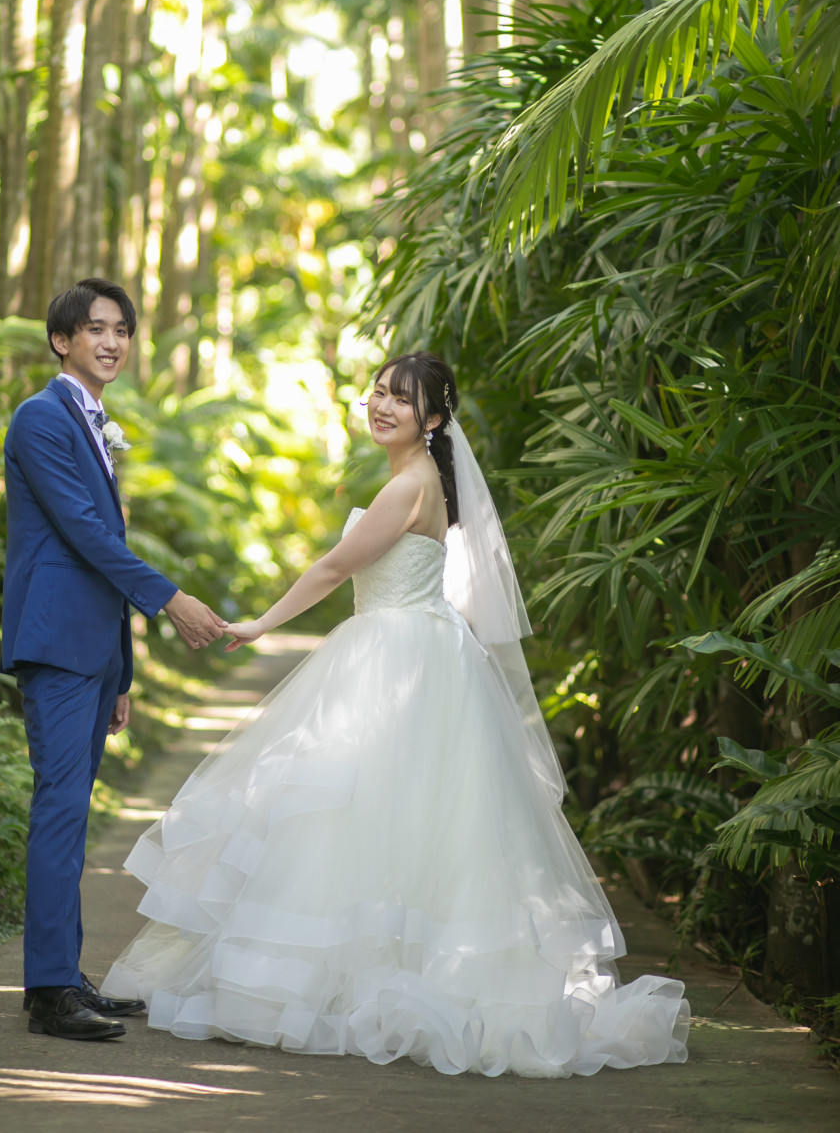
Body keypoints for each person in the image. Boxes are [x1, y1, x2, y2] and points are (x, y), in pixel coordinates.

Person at [101, 351, 691, 1077]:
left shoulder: (407, 486)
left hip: (394, 652)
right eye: (377, 392)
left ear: (434, 419)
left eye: (401, 400)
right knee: (395, 818)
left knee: (352, 808)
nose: (381, 405)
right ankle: (383, 968)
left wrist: (258, 623)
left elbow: (333, 568)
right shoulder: (422, 481)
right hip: (420, 648)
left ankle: (361, 981)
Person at [2, 277, 227, 1041]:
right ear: (61, 339)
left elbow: (107, 551)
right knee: (60, 811)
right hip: (57, 644)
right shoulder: (41, 417)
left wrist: (123, 671)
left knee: (72, 813)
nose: (111, 341)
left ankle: (63, 976)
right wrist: (173, 600)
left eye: (123, 330)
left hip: (94, 651)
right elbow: (86, 538)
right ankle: (48, 991)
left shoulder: (94, 422)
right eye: (95, 328)